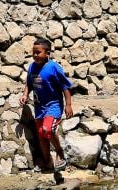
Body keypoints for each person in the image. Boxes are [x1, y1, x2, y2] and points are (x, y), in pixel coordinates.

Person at [19, 38, 73, 173]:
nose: (35, 55)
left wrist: (68, 105)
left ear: (47, 53)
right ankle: (47, 161)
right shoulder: (32, 67)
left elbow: (65, 86)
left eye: (38, 52)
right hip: (39, 108)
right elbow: (29, 84)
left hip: (53, 106)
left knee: (48, 130)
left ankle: (59, 152)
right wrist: (25, 95)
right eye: (34, 53)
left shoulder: (53, 67)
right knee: (41, 135)